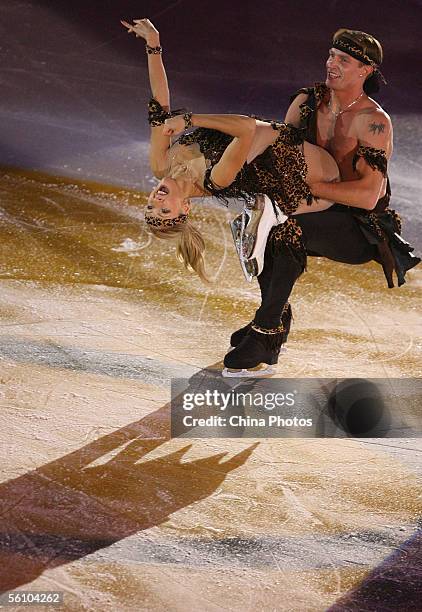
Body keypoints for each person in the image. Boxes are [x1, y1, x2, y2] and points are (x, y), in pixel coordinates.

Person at [223, 28, 420, 375]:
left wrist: (311, 187)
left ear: (366, 70)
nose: (332, 64)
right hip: (313, 206)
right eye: (331, 56)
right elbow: (283, 156)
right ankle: (273, 317)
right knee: (259, 225)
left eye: (344, 60)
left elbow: (367, 195)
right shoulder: (307, 102)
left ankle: (265, 333)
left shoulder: (373, 122)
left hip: (358, 227)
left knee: (288, 229)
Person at [120, 17, 340, 289]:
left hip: (295, 145)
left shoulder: (160, 164)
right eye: (165, 210)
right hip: (315, 170)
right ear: (185, 207)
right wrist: (189, 120)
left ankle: (271, 210)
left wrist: (153, 45)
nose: (157, 200)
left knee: (306, 100)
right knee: (324, 177)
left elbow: (160, 107)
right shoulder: (215, 180)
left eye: (151, 206)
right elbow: (246, 128)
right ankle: (274, 212)